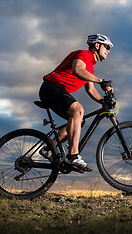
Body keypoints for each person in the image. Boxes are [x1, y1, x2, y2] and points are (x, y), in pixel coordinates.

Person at [38, 34, 114, 172]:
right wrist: (101, 81)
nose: (108, 51)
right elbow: (77, 70)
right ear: (97, 45)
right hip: (51, 88)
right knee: (78, 110)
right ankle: (73, 156)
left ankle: (49, 148)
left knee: (80, 121)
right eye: (107, 47)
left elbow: (90, 90)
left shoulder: (90, 68)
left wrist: (103, 101)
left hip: (57, 90)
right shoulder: (84, 54)